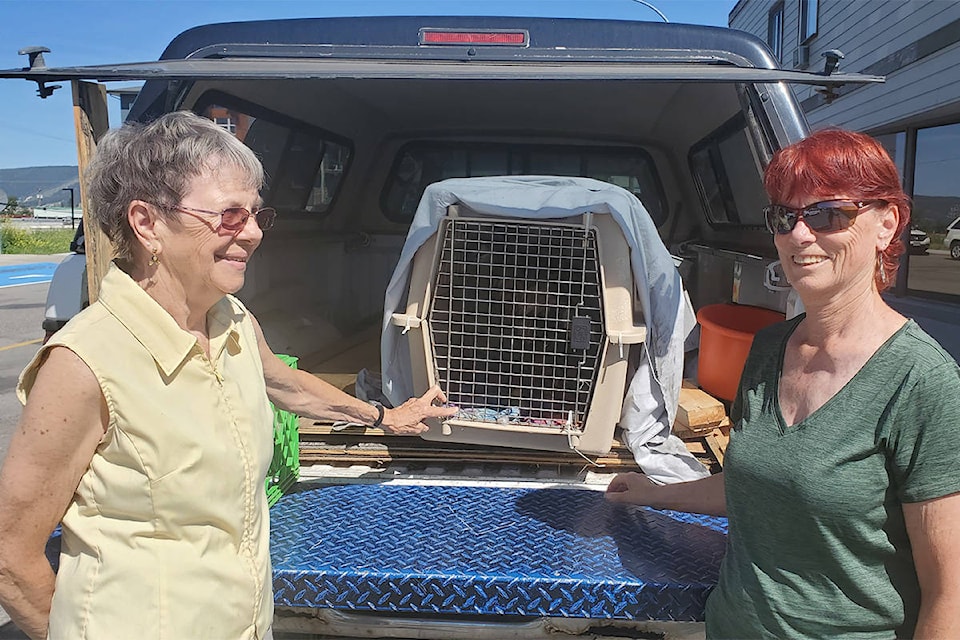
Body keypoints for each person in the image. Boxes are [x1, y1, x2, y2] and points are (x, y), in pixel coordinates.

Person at [0, 111, 457, 640]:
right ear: (147, 223)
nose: (255, 234)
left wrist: (384, 416)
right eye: (230, 216)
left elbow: (283, 383)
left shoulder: (231, 320)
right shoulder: (85, 362)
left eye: (258, 215)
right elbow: (12, 555)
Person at [606, 129, 960, 638]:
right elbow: (757, 485)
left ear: (887, 223)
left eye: (828, 213)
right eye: (784, 217)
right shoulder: (769, 350)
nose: (799, 235)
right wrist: (655, 493)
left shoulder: (923, 382)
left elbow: (949, 593)